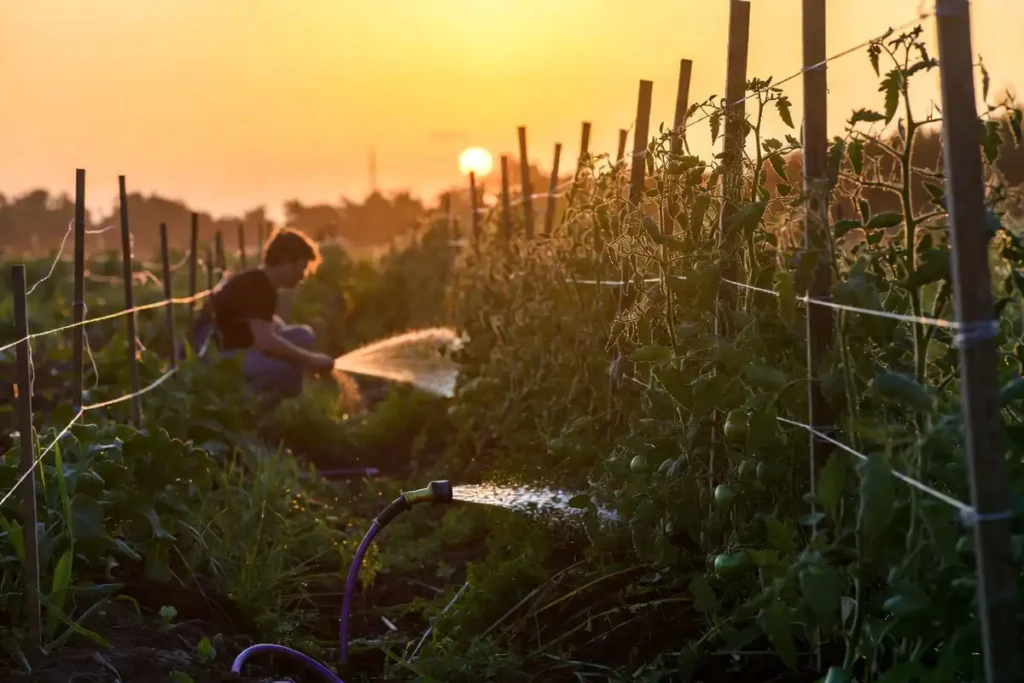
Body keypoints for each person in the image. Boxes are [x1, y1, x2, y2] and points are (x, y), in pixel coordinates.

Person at [196, 227, 335, 403]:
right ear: (286, 261)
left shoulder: (261, 283)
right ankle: (244, 406)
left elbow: (263, 324)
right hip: (214, 357)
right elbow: (266, 342)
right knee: (286, 369)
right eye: (302, 267)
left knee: (303, 336)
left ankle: (269, 402)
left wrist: (278, 333)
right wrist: (311, 359)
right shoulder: (257, 287)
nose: (303, 275)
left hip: (232, 348)